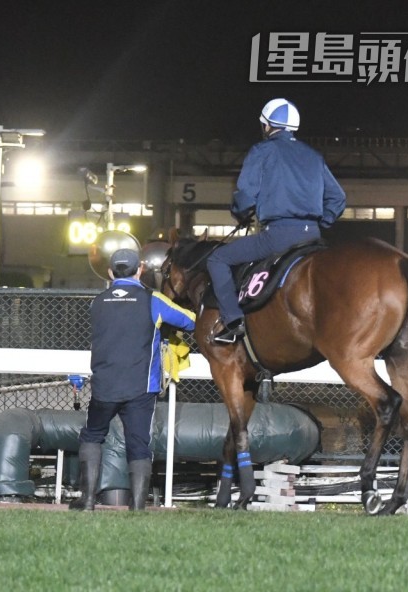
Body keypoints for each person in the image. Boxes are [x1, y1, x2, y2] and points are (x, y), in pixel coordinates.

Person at [208, 98, 347, 344]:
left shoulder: (262, 150)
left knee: (217, 258)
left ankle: (232, 321)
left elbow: (245, 195)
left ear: (267, 126)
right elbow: (338, 198)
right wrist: (320, 223)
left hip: (278, 236)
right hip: (313, 236)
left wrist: (241, 212)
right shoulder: (314, 155)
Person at [70, 249, 196, 511]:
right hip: (141, 387)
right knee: (139, 444)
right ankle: (138, 507)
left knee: (92, 436)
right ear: (140, 269)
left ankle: (88, 500)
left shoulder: (97, 302)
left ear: (109, 272)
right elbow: (190, 321)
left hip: (104, 385)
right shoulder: (153, 299)